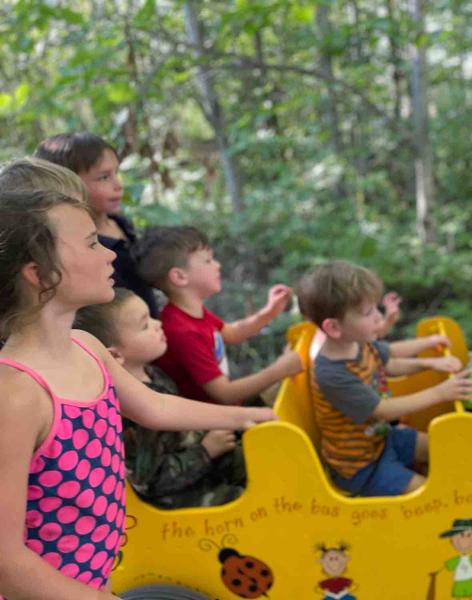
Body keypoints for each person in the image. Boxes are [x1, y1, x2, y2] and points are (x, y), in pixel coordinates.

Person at [0, 189, 276, 598]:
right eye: (92, 244)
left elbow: (156, 406)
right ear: (39, 273)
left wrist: (251, 416)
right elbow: (7, 561)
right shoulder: (15, 395)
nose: (110, 256)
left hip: (96, 580)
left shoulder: (87, 347)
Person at [296, 261, 472, 497]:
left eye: (376, 308)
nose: (379, 317)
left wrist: (429, 361)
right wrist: (440, 393)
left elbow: (389, 363)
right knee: (436, 495)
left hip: (383, 439)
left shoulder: (358, 342)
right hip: (361, 468)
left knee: (450, 449)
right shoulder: (333, 374)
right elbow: (382, 410)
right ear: (334, 327)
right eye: (368, 313)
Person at [74, 289, 246, 509]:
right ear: (115, 355)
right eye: (145, 325)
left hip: (205, 470)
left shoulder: (155, 373)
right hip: (179, 500)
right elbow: (150, 483)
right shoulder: (130, 411)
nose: (158, 324)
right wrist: (206, 451)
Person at [134, 225, 302, 405]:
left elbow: (232, 333)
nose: (218, 265)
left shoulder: (192, 314)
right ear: (180, 277)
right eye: (208, 261)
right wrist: (280, 369)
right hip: (210, 418)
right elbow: (225, 393)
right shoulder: (182, 332)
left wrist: (269, 312)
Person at [34, 132, 160, 316]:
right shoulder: (76, 247)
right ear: (67, 185)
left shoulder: (120, 223)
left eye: (116, 173)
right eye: (103, 177)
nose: (118, 185)